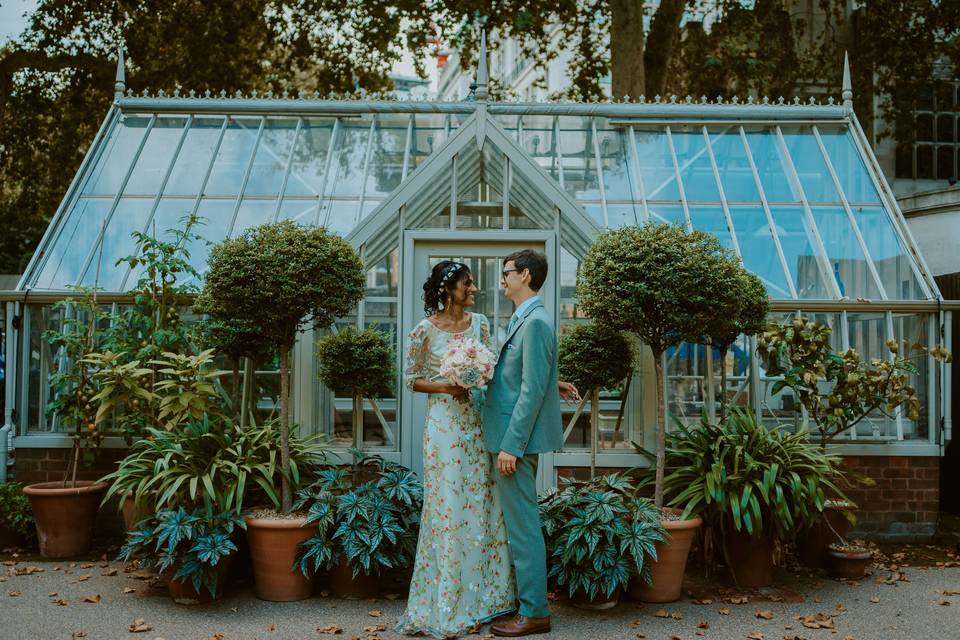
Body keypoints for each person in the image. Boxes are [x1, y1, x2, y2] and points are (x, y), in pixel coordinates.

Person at [396, 261, 516, 639]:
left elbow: (497, 367)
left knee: (481, 504)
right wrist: (448, 387)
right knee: (448, 507)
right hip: (444, 428)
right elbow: (412, 380)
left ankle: (486, 600)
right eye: (468, 283)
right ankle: (448, 604)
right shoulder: (423, 331)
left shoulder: (479, 324)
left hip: (477, 423)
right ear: (449, 289)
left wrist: (477, 374)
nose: (475, 288)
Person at [484, 249, 565, 638]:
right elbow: (536, 376)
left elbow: (530, 391)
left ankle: (534, 612)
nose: (502, 279)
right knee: (520, 524)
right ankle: (528, 606)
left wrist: (511, 446)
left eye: (507, 272)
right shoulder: (526, 318)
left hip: (513, 440)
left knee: (523, 527)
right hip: (506, 434)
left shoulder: (535, 322)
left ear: (526, 276)